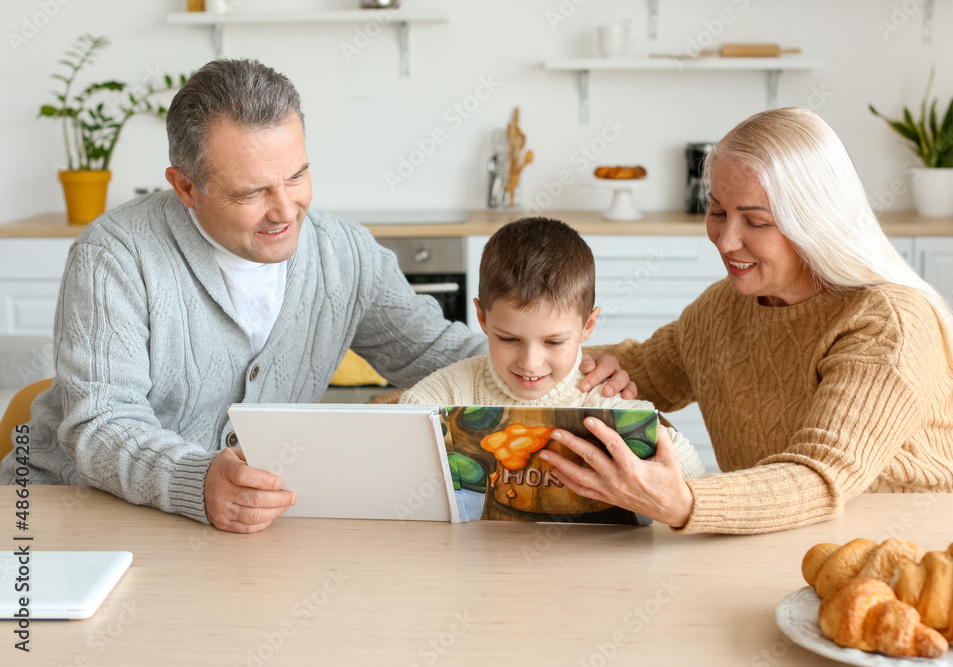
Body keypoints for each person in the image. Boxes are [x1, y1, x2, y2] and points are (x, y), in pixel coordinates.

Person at [0, 59, 633, 533]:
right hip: (68, 515)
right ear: (185, 187)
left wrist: (557, 367)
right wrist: (198, 482)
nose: (286, 211)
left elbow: (439, 351)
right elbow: (102, 425)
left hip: (250, 529)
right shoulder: (115, 255)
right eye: (252, 192)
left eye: (298, 175)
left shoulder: (343, 253)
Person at [539, 107, 953, 534]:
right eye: (717, 211)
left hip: (936, 543)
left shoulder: (888, 323)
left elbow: (819, 476)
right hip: (799, 541)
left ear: (815, 222)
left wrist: (681, 501)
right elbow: (639, 370)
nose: (726, 239)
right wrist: (522, 352)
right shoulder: (723, 309)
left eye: (755, 222)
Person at [400, 218, 707, 479]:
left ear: (587, 326)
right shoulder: (454, 387)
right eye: (509, 339)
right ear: (482, 318)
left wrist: (649, 445)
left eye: (553, 342)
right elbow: (398, 426)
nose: (530, 363)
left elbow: (693, 471)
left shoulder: (602, 398)